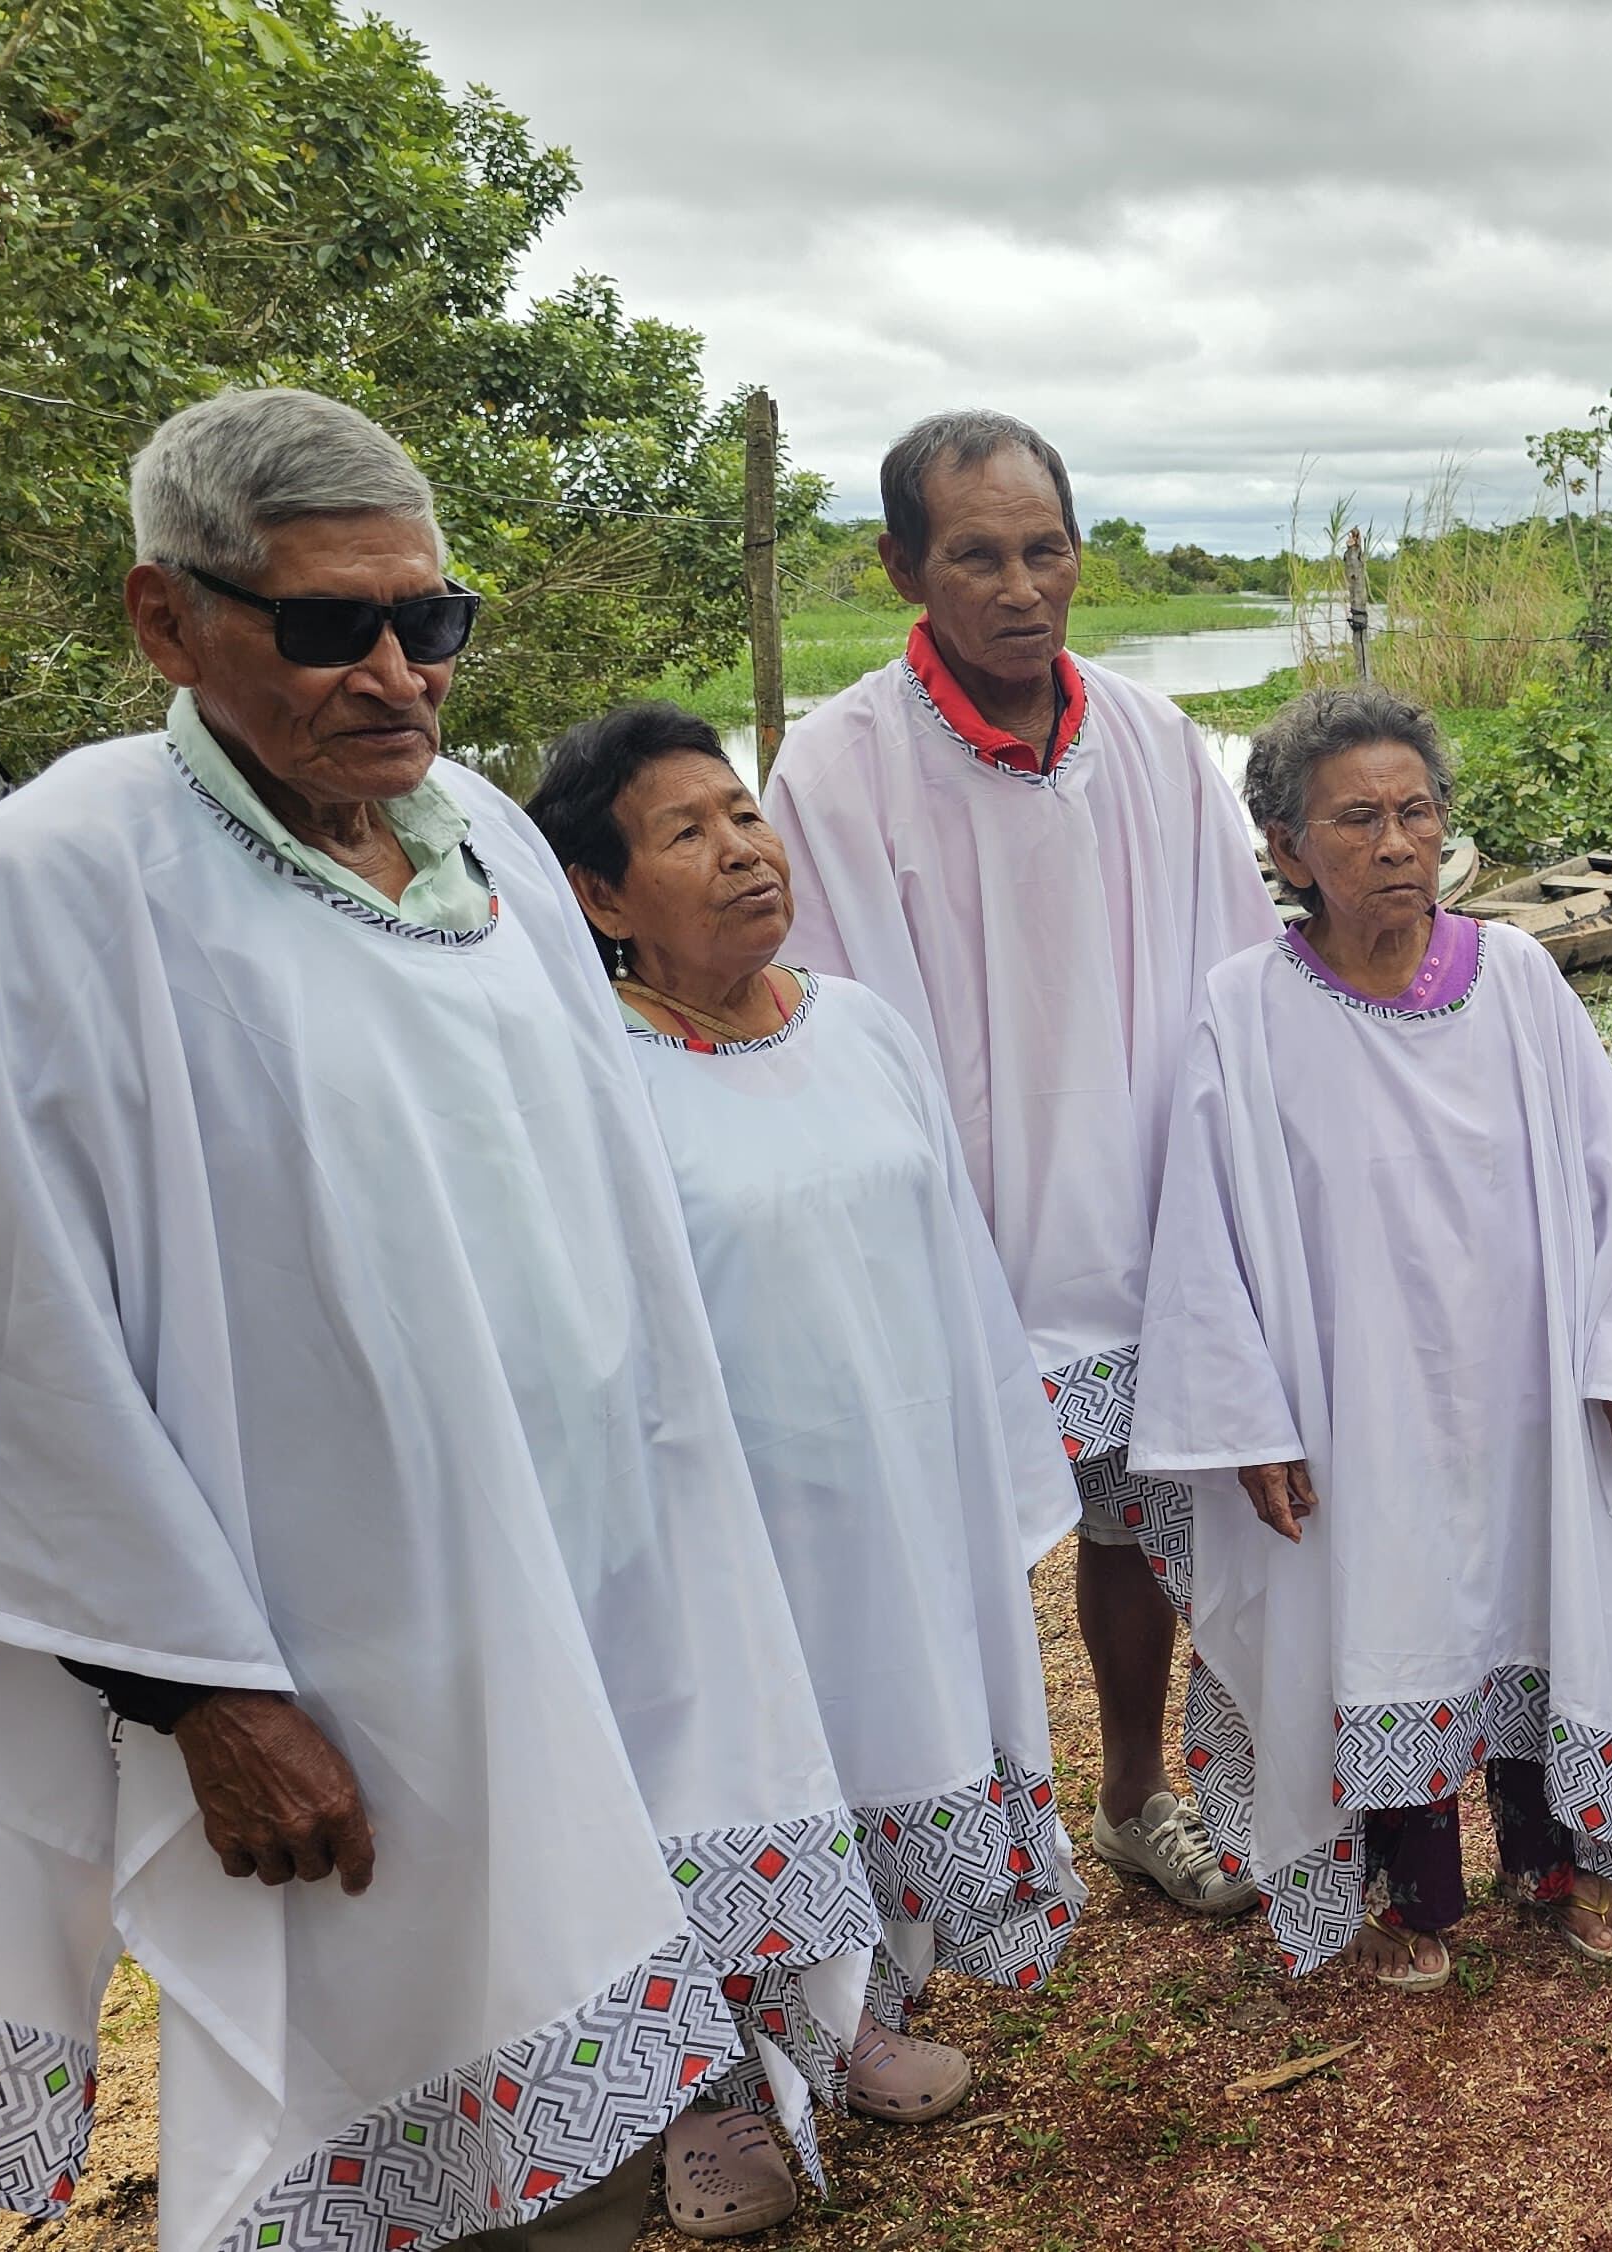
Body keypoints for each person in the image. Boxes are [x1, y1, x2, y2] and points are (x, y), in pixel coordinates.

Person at [0, 389, 881, 2252]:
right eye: (326, 629)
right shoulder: (67, 883)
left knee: (607, 2058)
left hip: (594, 1586)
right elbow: (7, 1341)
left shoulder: (487, 842)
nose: (396, 675)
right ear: (167, 619)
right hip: (340, 1660)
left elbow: (609, 1210)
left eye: (430, 622)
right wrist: (201, 1693)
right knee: (404, 2105)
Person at [526, 704, 1090, 2114]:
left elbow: (953, 1259)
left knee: (881, 1721)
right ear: (598, 896)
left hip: (888, 1488)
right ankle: (715, 2095)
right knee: (720, 1760)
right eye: (684, 834)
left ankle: (859, 2018)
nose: (739, 851)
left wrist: (978, 1460)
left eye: (742, 814)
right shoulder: (589, 1078)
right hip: (716, 1519)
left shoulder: (861, 1027)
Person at [768, 411, 1275, 1920]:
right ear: (901, 567)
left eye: (1044, 549)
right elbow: (823, 1025)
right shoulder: (841, 768)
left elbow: (1233, 980)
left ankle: (1133, 1795)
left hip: (1139, 1225)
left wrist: (1230, 1202)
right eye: (975, 555)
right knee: (939, 1560)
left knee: (1137, 1529)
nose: (1018, 586)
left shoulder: (1153, 740)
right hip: (959, 1243)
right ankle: (946, 1856)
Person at [1126, 687, 1612, 1985]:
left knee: (1535, 1593)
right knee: (1380, 1609)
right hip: (1359, 1400)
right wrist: (1249, 1425)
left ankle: (1563, 1863)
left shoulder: (1518, 984)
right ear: (1286, 850)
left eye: (1417, 812)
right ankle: (1412, 1890)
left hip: (1523, 1388)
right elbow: (1202, 1236)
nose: (1397, 844)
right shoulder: (1246, 1008)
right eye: (1357, 819)